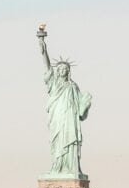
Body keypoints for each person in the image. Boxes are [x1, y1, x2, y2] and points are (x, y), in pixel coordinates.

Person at [38, 29, 92, 176]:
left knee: (69, 141)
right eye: (60, 69)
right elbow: (47, 67)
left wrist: (86, 101)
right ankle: (57, 167)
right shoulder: (53, 84)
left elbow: (81, 108)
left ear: (68, 71)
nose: (62, 70)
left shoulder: (73, 86)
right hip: (57, 117)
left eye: (64, 69)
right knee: (57, 143)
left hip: (69, 118)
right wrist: (43, 48)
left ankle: (71, 167)